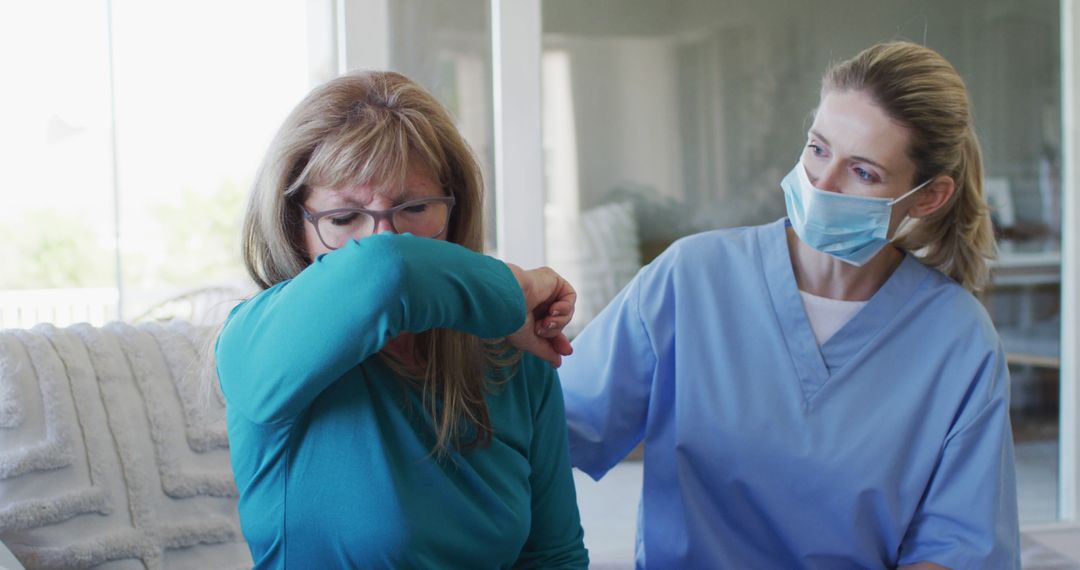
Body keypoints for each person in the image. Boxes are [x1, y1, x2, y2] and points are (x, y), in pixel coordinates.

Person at [559, 41, 1019, 569]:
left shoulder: (958, 342)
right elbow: (554, 430)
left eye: (863, 172)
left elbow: (957, 551)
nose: (821, 183)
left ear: (928, 197)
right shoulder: (690, 280)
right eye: (818, 148)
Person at [215, 70, 588, 569]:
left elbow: (553, 556)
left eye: (415, 208)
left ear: (454, 212)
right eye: (344, 218)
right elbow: (385, 269)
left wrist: (502, 309)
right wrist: (515, 290)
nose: (383, 235)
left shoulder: (514, 356)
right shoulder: (254, 345)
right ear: (293, 227)